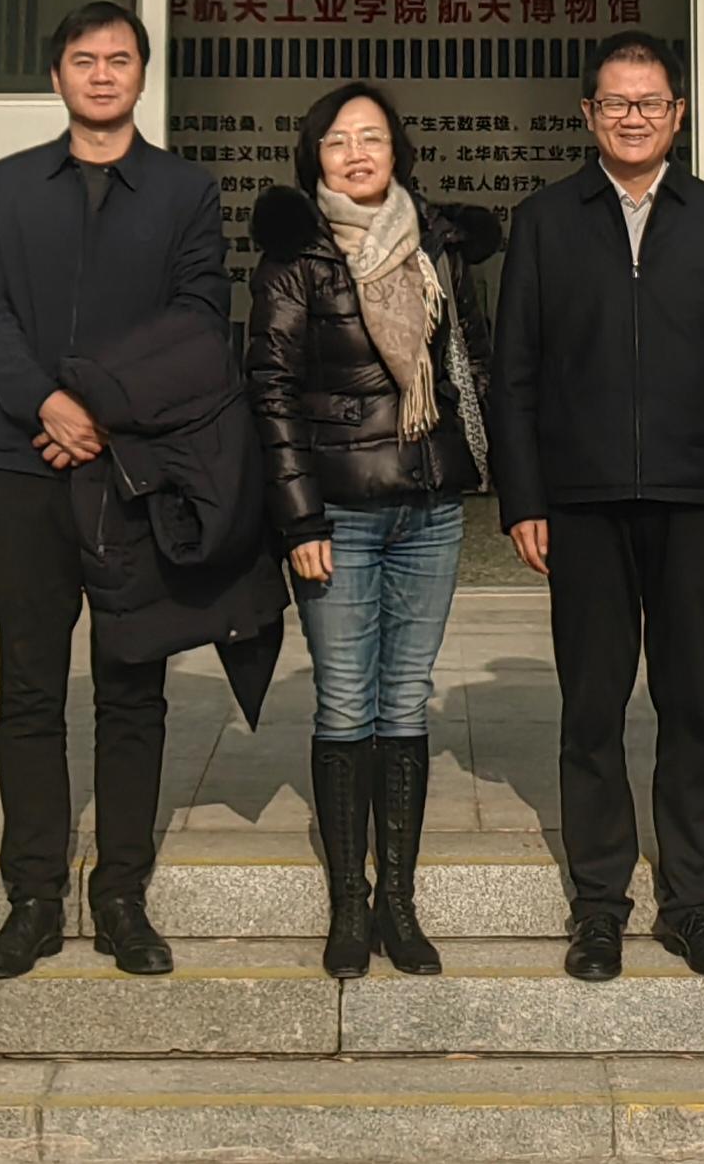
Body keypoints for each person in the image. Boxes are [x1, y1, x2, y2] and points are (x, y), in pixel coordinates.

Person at [0, 1, 235, 981]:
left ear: (142, 75)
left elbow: (199, 319)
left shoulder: (185, 193)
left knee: (132, 689)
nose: (103, 74)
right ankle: (32, 899)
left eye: (120, 59)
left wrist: (105, 411)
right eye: (85, 60)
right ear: (57, 76)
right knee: (28, 690)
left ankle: (120, 895)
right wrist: (48, 403)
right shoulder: (6, 189)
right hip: (22, 468)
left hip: (131, 473)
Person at [494, 30, 704, 982]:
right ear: (588, 114)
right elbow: (515, 373)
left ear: (678, 114)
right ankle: (599, 907)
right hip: (582, 502)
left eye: (650, 102)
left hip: (696, 501)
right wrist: (524, 498)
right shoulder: (545, 221)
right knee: (592, 707)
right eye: (615, 103)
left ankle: (693, 906)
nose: (633, 117)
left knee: (692, 704)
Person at [245, 83, 502, 980]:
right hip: (339, 515)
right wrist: (299, 517)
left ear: (399, 152)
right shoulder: (296, 258)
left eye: (373, 138)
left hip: (428, 508)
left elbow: (472, 358)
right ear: (314, 158)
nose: (357, 154)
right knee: (346, 702)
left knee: (406, 699)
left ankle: (398, 898)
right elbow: (270, 391)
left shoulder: (436, 246)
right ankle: (348, 905)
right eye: (338, 141)